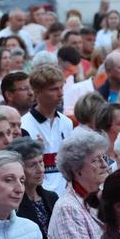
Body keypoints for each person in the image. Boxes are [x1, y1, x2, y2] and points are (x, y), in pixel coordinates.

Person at [21, 64, 73, 194]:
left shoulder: (66, 122)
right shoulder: (24, 125)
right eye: (54, 89)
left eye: (61, 88)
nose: (60, 93)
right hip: (39, 195)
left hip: (65, 195)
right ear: (37, 92)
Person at [8, 137, 59, 239]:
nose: (40, 169)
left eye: (41, 162)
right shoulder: (12, 205)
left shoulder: (52, 198)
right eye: (32, 165)